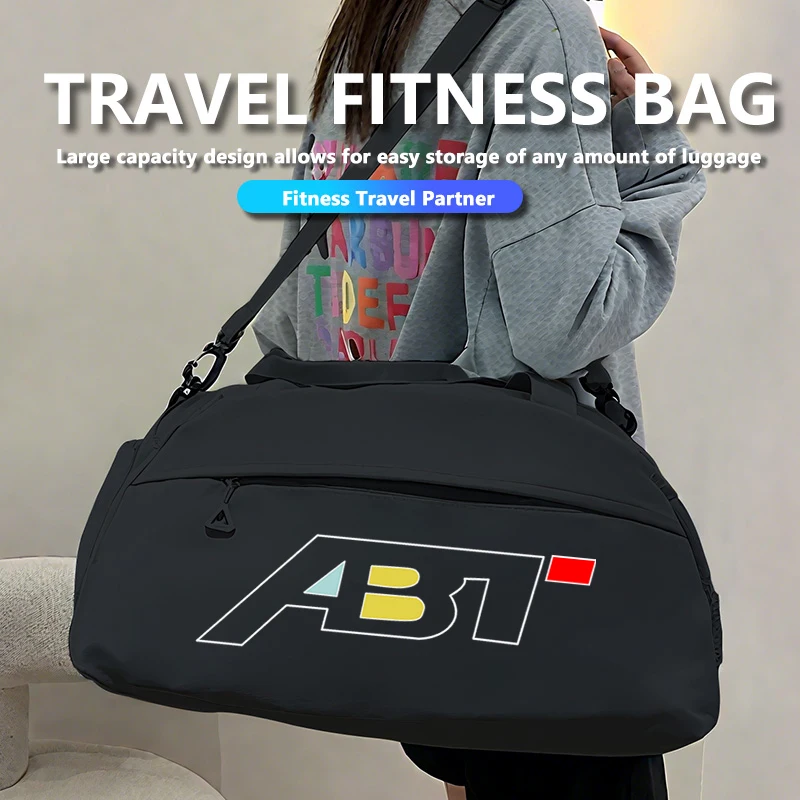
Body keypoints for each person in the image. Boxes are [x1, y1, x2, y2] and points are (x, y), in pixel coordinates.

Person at [253, 0, 706, 796]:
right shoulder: (540, 26)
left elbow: (298, 314)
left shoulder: (376, 24)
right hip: (535, 552)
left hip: (398, 531)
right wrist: (651, 149)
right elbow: (567, 320)